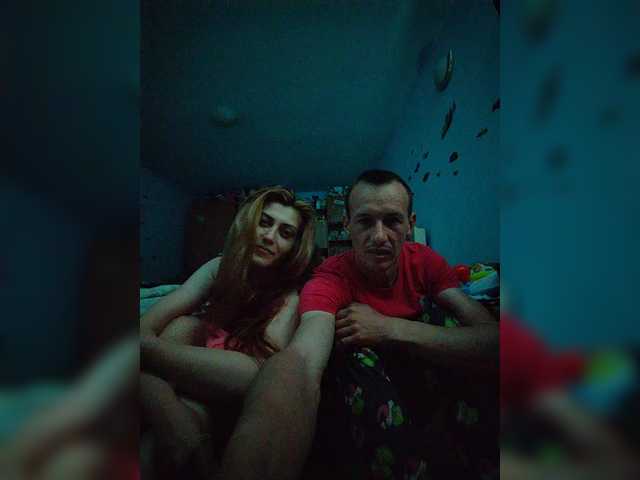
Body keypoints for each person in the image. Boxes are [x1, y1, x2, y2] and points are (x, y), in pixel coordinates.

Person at [218, 169, 499, 480]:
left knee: (443, 318)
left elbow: (495, 342)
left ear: (410, 224)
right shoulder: (330, 278)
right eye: (365, 221)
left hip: (429, 374)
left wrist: (388, 328)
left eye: (392, 221)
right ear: (347, 224)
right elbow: (303, 357)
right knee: (349, 348)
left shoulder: (425, 261)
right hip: (377, 391)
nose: (379, 236)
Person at [139, 186, 315, 478]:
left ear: (294, 248)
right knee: (183, 326)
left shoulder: (289, 298)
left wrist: (145, 349)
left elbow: (257, 371)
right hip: (187, 381)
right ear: (249, 223)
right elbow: (147, 326)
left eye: (285, 233)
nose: (269, 236)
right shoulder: (219, 267)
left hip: (233, 389)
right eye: (265, 222)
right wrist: (170, 412)